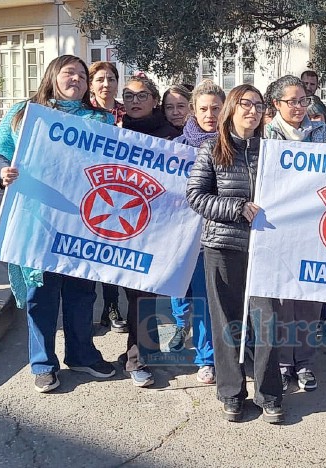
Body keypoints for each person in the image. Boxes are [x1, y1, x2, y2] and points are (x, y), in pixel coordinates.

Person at [0, 55, 117, 393]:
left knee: (81, 293)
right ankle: (43, 363)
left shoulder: (99, 118)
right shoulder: (24, 113)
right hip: (36, 219)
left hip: (83, 220)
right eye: (69, 73)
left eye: (82, 76)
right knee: (40, 294)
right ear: (53, 76)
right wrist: (2, 172)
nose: (77, 79)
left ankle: (83, 355)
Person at [186, 84, 284, 423]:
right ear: (231, 107)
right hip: (222, 247)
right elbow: (196, 196)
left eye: (258, 105)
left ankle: (269, 393)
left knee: (266, 323)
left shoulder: (274, 151)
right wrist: (236, 207)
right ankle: (231, 393)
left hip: (265, 250)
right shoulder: (212, 147)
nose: (252, 111)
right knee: (227, 323)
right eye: (245, 104)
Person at [264, 75, 326, 392]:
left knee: (308, 299)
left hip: (315, 227)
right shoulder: (265, 134)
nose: (298, 107)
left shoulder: (321, 130)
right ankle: (283, 363)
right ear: (277, 104)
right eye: (291, 101)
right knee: (281, 301)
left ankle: (305, 362)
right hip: (278, 228)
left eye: (303, 100)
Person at [119, 74, 179, 387]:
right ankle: (140, 349)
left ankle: (137, 358)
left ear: (154, 101)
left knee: (145, 295)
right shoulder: (115, 132)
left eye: (142, 96)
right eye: (128, 96)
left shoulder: (172, 134)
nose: (135, 101)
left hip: (158, 226)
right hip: (123, 222)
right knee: (134, 294)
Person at [167, 79, 225, 385]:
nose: (210, 114)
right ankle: (179, 323)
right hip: (180, 232)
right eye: (203, 108)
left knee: (204, 297)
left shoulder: (230, 144)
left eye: (216, 108)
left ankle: (206, 358)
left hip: (212, 234)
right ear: (193, 110)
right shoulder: (177, 147)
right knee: (180, 290)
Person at [88, 61, 128, 333]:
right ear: (91, 84)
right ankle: (84, 311)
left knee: (115, 251)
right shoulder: (83, 113)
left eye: (111, 78)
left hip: (122, 190)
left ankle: (111, 307)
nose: (106, 84)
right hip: (92, 187)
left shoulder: (127, 113)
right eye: (100, 79)